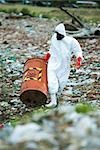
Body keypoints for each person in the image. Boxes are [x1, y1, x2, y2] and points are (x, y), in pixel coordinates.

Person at [45, 23, 83, 108]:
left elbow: (77, 50)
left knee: (62, 81)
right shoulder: (54, 38)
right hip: (53, 62)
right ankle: (53, 100)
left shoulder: (70, 41)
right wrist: (48, 55)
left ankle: (57, 97)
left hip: (64, 64)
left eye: (59, 34)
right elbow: (52, 48)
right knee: (51, 80)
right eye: (56, 33)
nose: (57, 35)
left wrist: (79, 58)